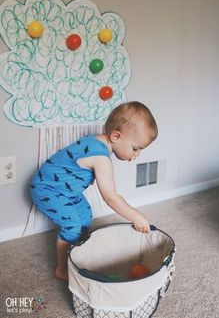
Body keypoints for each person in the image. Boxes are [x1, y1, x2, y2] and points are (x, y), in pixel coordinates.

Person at [30, 101, 158, 281]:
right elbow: (111, 197)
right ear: (115, 136)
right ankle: (61, 269)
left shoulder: (97, 140)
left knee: (85, 216)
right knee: (73, 224)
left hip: (65, 191)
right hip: (47, 189)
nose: (136, 155)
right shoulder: (101, 158)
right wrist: (136, 216)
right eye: (135, 148)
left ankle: (77, 252)